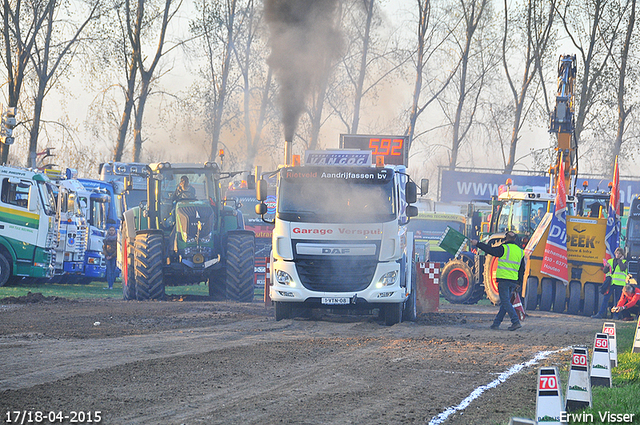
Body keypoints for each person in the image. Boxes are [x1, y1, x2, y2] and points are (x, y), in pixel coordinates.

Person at [471, 230, 525, 331]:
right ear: (514, 239)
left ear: (506, 238)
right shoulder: (520, 251)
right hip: (513, 281)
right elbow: (522, 269)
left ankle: (515, 321)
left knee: (505, 302)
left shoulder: (504, 248)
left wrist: (477, 243)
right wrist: (519, 282)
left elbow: (490, 250)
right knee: (506, 303)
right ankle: (496, 323)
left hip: (504, 280)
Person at [592, 247, 627, 319]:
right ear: (615, 254)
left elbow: (622, 268)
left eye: (619, 254)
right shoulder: (610, 261)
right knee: (605, 299)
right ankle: (600, 314)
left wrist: (620, 261)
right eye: (617, 253)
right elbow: (605, 271)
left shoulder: (624, 262)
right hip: (611, 283)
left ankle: (616, 316)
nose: (617, 255)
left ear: (622, 255)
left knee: (618, 301)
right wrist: (606, 267)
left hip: (620, 284)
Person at [103, 226, 117, 290]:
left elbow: (117, 250)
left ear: (114, 231)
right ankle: (109, 285)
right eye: (110, 230)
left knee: (113, 271)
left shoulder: (117, 239)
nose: (111, 232)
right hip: (107, 256)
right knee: (108, 271)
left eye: (112, 230)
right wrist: (106, 255)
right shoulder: (106, 239)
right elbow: (104, 248)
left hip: (113, 256)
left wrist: (112, 256)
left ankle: (111, 285)